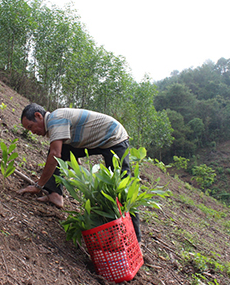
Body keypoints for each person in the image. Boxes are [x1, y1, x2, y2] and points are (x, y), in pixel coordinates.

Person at [17, 103, 141, 241]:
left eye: (30, 127)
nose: (32, 132)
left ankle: (136, 238)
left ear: (38, 116)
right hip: (99, 140)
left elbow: (55, 155)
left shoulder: (55, 119)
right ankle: (55, 194)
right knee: (60, 149)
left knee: (122, 186)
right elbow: (67, 146)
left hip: (114, 137)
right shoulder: (55, 122)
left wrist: (38, 186)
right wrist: (74, 161)